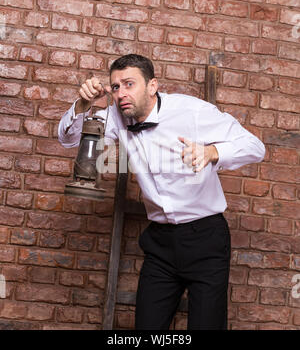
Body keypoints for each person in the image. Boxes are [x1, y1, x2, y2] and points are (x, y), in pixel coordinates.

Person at [58, 54, 265, 330]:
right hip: (160, 243)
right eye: (116, 87)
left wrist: (213, 151)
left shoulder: (191, 112)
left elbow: (255, 147)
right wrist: (83, 104)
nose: (121, 94)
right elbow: (69, 138)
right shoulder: (116, 117)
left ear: (152, 85)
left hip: (205, 238)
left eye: (129, 84)